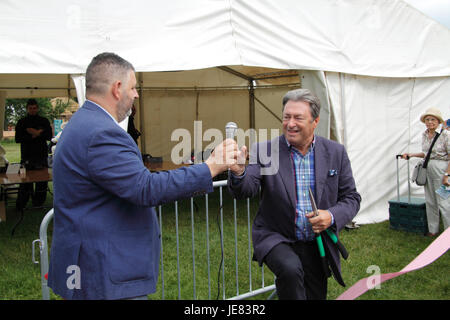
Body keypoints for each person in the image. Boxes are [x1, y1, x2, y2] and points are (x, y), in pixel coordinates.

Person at [47, 52, 239, 300]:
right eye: (133, 87)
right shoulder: (102, 134)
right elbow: (145, 187)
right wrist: (210, 167)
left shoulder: (83, 123)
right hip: (103, 272)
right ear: (117, 88)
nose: (136, 94)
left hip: (90, 265)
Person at [228, 88, 361, 300]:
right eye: (286, 117)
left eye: (298, 117)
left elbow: (352, 198)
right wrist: (238, 172)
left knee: (314, 294)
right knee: (290, 271)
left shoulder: (336, 152)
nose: (290, 123)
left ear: (315, 122)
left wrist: (331, 216)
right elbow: (247, 189)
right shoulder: (265, 150)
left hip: (316, 242)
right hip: (276, 236)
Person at [401, 107, 449, 237]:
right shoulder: (425, 134)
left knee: (444, 200)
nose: (430, 122)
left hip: (442, 168)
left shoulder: (445, 134)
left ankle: (447, 234)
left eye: (433, 119)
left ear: (438, 121)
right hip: (428, 168)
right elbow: (427, 153)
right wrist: (412, 155)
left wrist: (447, 175)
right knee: (430, 200)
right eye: (427, 119)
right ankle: (433, 230)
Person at [14, 98, 52, 209]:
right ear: (27, 109)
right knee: (25, 180)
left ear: (37, 108)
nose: (33, 110)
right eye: (30, 108)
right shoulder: (22, 122)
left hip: (41, 154)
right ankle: (22, 203)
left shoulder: (44, 121)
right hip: (27, 155)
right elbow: (18, 138)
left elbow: (49, 136)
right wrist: (34, 135)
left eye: (34, 108)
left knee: (42, 180)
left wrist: (35, 132)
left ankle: (38, 203)